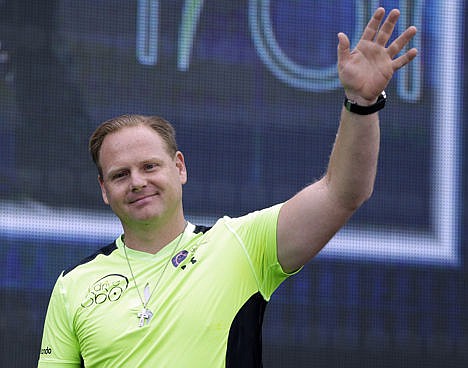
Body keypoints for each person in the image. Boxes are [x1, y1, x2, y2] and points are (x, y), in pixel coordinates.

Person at [38, 8, 418, 368]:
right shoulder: (74, 286)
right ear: (104, 190)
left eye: (150, 166)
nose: (137, 182)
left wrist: (362, 103)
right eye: (121, 175)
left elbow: (342, 192)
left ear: (179, 167)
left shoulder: (241, 244)